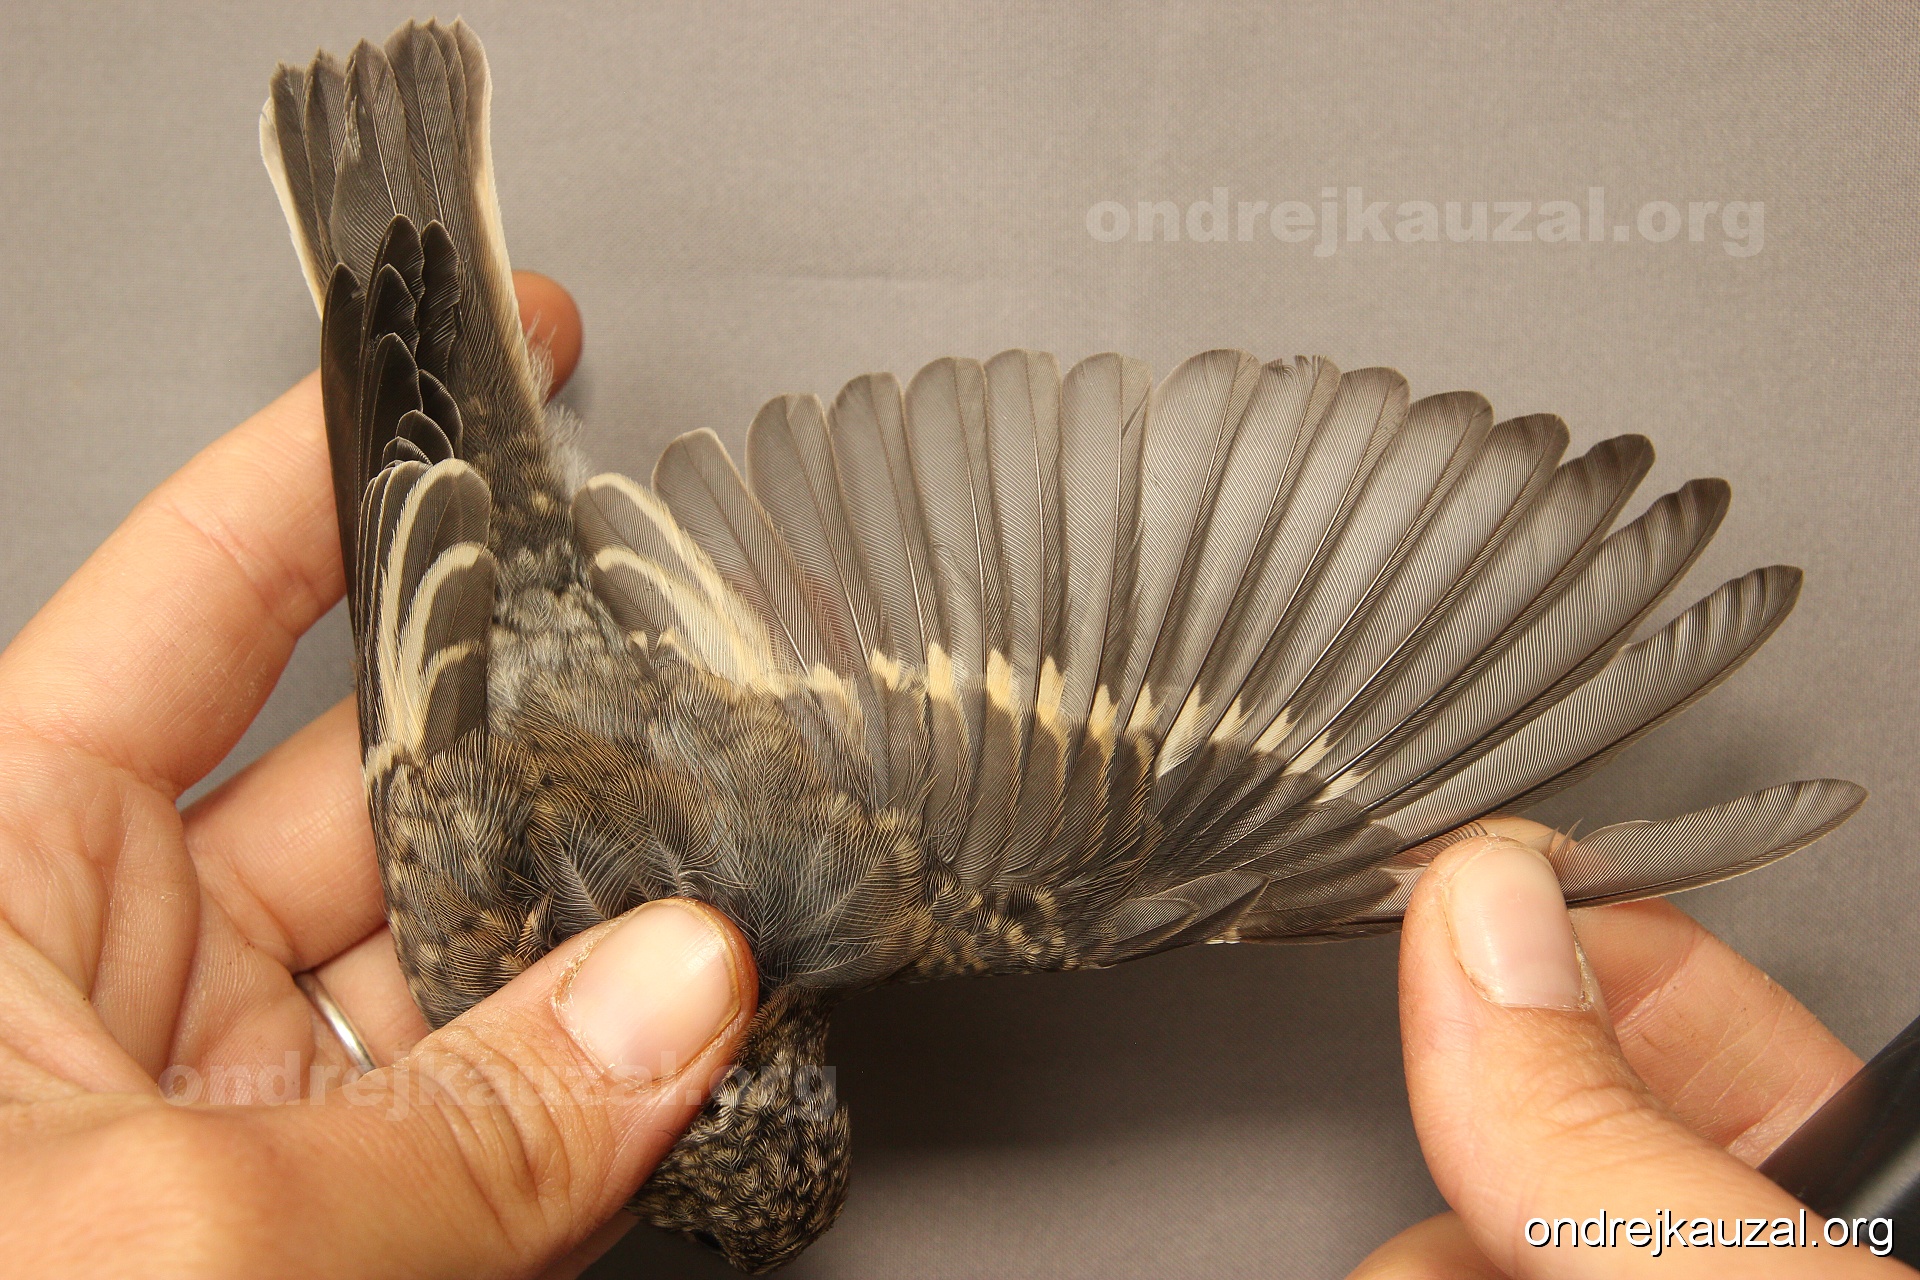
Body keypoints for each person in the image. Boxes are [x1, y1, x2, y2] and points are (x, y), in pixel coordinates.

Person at [0, 274, 1901, 1280]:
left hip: (500, 593)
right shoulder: (459, 950)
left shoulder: (886, 888)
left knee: (1187, 846)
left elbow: (1205, 744)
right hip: (460, 604)